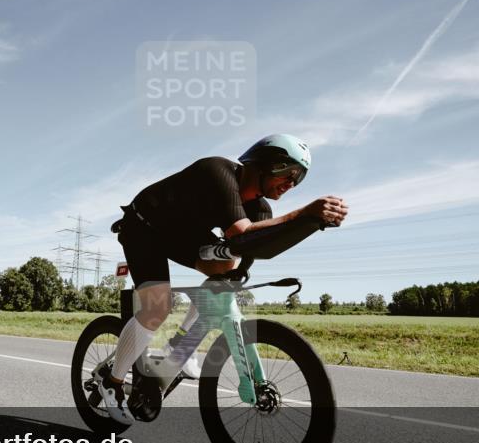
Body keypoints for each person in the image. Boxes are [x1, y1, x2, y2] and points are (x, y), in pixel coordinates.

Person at [99, 134, 348, 425]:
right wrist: (305, 212)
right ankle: (112, 382)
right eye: (290, 172)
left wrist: (311, 222)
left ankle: (178, 346)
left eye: (300, 179)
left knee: (225, 266)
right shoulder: (218, 172)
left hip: (180, 233)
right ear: (267, 163)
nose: (292, 183)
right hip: (144, 226)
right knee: (157, 307)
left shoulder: (260, 209)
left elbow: (252, 248)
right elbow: (243, 234)